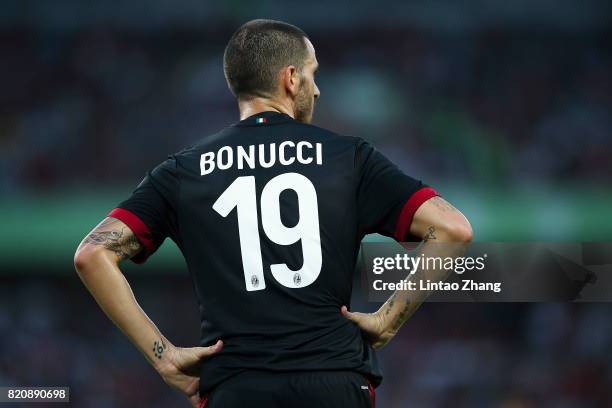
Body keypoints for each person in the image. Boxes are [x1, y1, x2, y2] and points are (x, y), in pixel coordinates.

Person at [74, 19, 472, 408]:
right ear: (291, 78)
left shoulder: (183, 171)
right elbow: (452, 229)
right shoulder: (349, 158)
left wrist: (164, 358)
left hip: (236, 385)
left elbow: (92, 255)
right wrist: (387, 320)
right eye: (313, 75)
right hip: (334, 380)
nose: (317, 91)